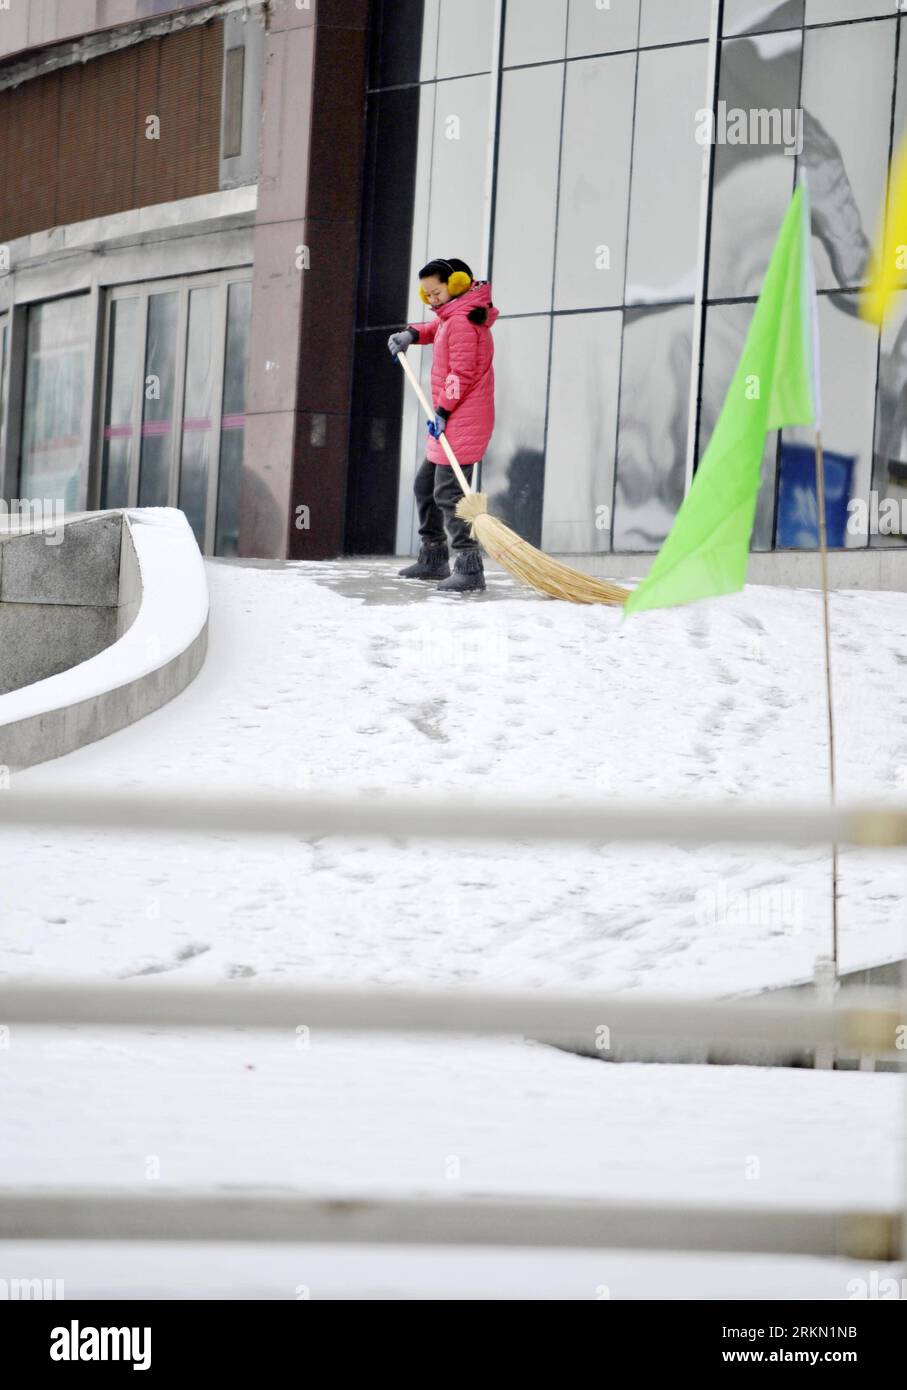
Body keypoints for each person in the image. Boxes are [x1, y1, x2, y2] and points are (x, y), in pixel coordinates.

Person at [388, 257, 498, 593]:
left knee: (450, 492)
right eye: (427, 295)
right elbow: (436, 328)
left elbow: (461, 374)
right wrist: (410, 333)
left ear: (457, 285)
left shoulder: (464, 321)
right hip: (452, 418)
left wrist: (443, 411)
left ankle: (469, 566)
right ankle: (434, 556)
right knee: (425, 485)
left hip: (463, 419)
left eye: (436, 293)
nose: (432, 300)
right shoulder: (455, 315)